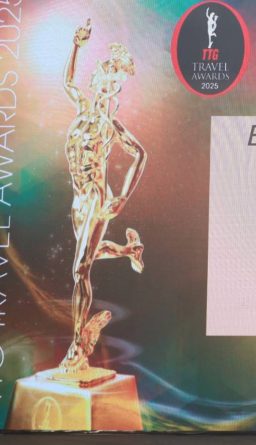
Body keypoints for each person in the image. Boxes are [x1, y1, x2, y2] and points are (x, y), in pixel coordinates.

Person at [61, 19, 147, 373]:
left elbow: (139, 154)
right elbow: (68, 81)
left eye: (115, 83)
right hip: (79, 199)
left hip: (97, 197)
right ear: (96, 79)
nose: (107, 85)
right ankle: (129, 250)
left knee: (80, 268)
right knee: (92, 254)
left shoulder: (111, 125)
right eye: (105, 77)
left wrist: (122, 196)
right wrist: (76, 45)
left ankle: (77, 347)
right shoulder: (82, 108)